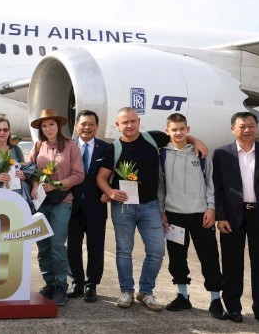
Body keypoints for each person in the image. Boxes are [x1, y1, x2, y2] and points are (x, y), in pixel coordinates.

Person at [96, 107, 208, 312]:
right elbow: (101, 178)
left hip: (150, 206)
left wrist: (196, 141)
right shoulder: (113, 149)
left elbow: (177, 134)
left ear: (139, 121)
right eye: (125, 122)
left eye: (133, 121)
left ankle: (146, 291)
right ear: (117, 125)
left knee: (156, 251)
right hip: (124, 208)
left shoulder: (153, 138)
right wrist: (110, 192)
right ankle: (126, 291)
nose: (129, 125)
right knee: (123, 251)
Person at [213, 112, 259, 328]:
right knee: (232, 263)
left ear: (257, 128)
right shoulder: (222, 153)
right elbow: (219, 189)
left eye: (251, 125)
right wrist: (220, 217)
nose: (247, 130)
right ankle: (233, 307)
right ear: (233, 129)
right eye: (242, 126)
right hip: (232, 217)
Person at [157, 113, 225, 318]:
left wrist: (211, 208)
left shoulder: (201, 154)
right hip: (174, 216)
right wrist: (162, 211)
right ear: (167, 131)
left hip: (200, 215)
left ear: (188, 129)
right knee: (177, 259)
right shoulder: (162, 155)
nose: (178, 133)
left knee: (210, 257)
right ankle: (183, 296)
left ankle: (215, 299)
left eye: (182, 128)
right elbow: (159, 186)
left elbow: (211, 183)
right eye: (174, 129)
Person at [28, 109, 84, 306]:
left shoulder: (71, 146)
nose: (48, 128)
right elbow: (30, 170)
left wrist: (57, 185)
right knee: (42, 245)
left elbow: (79, 175)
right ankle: (49, 283)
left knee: (57, 244)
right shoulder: (38, 146)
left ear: (58, 126)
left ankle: (61, 285)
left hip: (62, 201)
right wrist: (35, 184)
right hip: (41, 202)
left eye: (51, 124)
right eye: (44, 125)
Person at [66, 110, 109, 303]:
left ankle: (92, 285)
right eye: (83, 124)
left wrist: (111, 192)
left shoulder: (106, 148)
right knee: (72, 246)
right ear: (76, 126)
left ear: (97, 127)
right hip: (71, 205)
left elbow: (113, 175)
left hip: (96, 206)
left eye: (91, 124)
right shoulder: (68, 146)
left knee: (95, 246)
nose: (87, 128)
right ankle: (77, 281)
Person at [0, 116, 30, 205]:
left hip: (15, 197)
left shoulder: (16, 150)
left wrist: (23, 176)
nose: (2, 132)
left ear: (9, 132)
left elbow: (25, 172)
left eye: (5, 130)